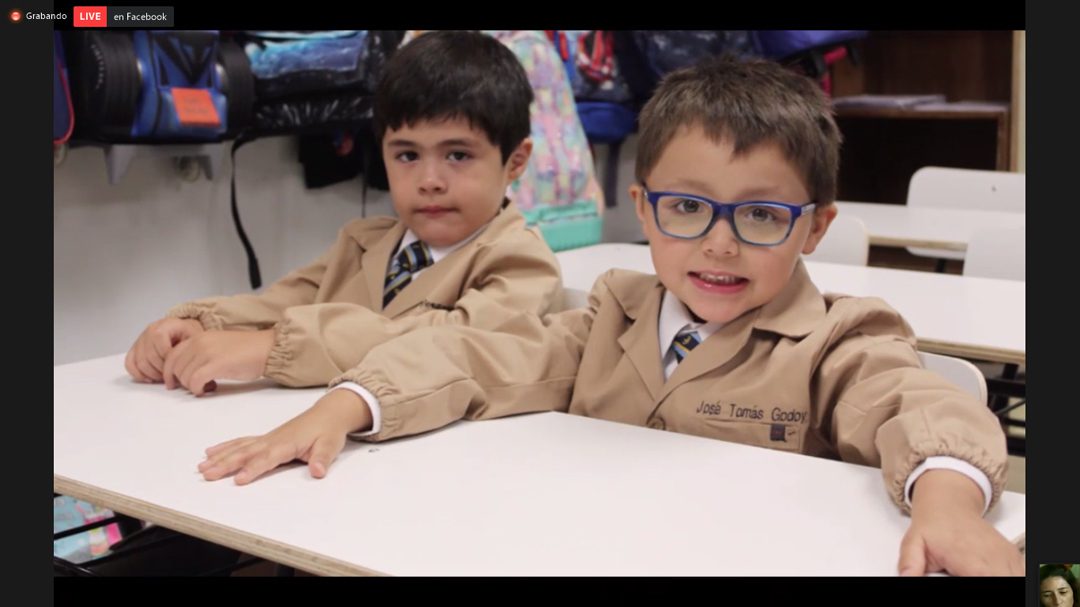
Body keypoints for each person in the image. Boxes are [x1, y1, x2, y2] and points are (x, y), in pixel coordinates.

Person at [198, 54, 1021, 576]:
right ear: (644, 210)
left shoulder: (840, 337)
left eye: (762, 215)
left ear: (815, 227)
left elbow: (918, 401)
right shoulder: (610, 316)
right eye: (687, 208)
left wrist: (946, 499)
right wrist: (349, 403)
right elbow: (477, 356)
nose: (720, 244)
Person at [124, 30, 563, 395]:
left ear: (515, 161)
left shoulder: (521, 262)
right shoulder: (363, 241)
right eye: (407, 155)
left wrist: (273, 347)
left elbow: (448, 342)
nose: (430, 180)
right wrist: (197, 321)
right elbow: (282, 301)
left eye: (458, 155)